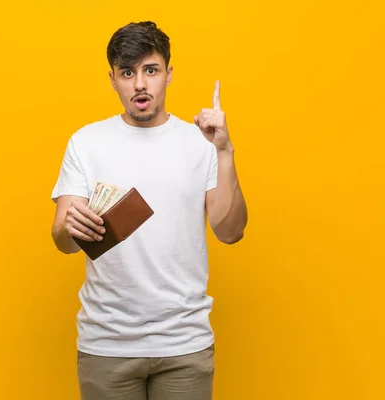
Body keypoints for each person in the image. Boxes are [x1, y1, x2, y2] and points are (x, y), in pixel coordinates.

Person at [50, 21, 247, 400]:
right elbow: (63, 242)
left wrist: (224, 151)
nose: (140, 84)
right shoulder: (86, 142)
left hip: (184, 345)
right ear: (113, 79)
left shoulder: (200, 142)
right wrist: (68, 227)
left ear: (168, 75)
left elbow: (230, 231)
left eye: (150, 70)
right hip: (107, 345)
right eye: (128, 72)